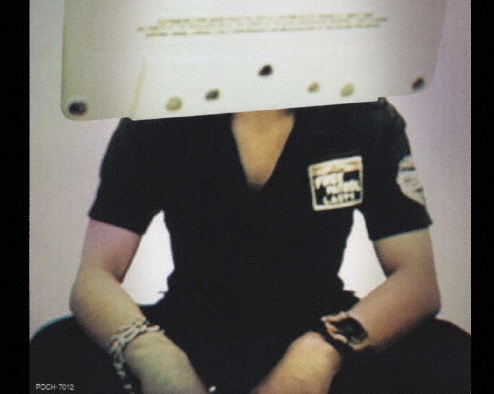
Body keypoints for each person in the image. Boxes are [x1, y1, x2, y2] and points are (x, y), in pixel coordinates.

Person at [30, 100, 471, 394]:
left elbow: (417, 281)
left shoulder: (363, 116)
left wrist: (318, 355)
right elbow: (95, 275)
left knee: (451, 359)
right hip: (189, 329)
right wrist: (154, 357)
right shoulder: (159, 116)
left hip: (322, 329)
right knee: (52, 365)